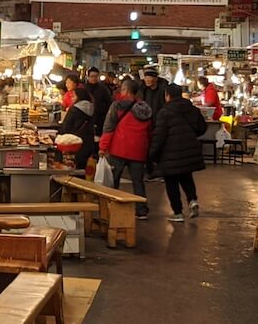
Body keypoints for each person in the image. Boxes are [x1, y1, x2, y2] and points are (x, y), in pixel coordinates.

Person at [150, 85, 207, 222]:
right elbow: (202, 127)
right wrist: (191, 135)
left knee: (171, 182)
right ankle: (192, 200)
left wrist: (152, 154)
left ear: (167, 95)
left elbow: (159, 135)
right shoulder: (192, 109)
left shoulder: (164, 112)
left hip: (170, 152)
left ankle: (178, 213)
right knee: (186, 176)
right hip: (188, 149)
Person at [99, 78, 154, 219]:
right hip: (139, 151)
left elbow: (108, 128)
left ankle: (111, 209)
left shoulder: (118, 106)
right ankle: (142, 211)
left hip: (119, 149)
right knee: (138, 182)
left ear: (125, 90)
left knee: (114, 180)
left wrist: (103, 147)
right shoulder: (145, 109)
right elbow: (150, 131)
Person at [58, 94, 97, 171]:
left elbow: (66, 125)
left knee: (71, 166)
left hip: (73, 142)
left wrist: (60, 135)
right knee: (84, 167)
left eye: (74, 96)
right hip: (87, 141)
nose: (72, 98)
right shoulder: (93, 108)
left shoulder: (74, 109)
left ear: (79, 98)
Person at [83, 67, 113, 134]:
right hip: (86, 119)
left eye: (96, 76)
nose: (94, 78)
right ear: (88, 77)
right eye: (92, 76)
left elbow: (109, 102)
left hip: (100, 119)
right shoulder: (84, 88)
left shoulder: (103, 89)